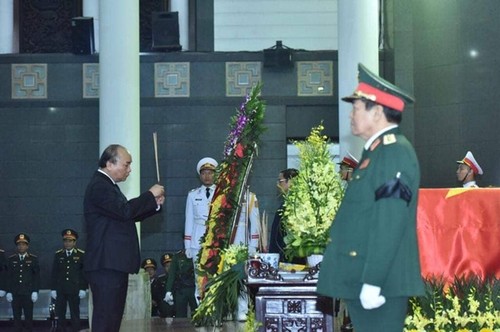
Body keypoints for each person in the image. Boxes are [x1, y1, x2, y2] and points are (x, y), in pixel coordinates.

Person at [317, 63, 424, 332]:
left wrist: (373, 281)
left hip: (380, 283)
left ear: (377, 111)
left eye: (356, 107)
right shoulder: (376, 153)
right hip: (364, 278)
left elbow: (389, 220)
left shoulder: (394, 152)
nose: (351, 114)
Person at [83, 144, 165, 332]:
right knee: (105, 320)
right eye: (126, 165)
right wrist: (150, 194)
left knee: (112, 320)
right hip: (105, 265)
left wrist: (154, 204)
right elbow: (125, 211)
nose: (129, 170)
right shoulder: (100, 186)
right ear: (110, 163)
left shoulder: (108, 186)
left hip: (112, 264)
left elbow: (126, 216)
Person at [183, 157, 218, 300]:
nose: (207, 176)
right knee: (200, 277)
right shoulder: (193, 195)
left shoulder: (222, 193)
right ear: (200, 175)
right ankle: (201, 309)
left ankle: (215, 309)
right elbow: (189, 220)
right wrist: (188, 245)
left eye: (210, 172)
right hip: (197, 241)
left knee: (216, 276)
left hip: (216, 241)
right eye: (204, 173)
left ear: (215, 174)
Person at [231, 190, 260, 321]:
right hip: (223, 241)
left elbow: (255, 221)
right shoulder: (221, 194)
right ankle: (225, 310)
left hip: (241, 240)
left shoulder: (250, 197)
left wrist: (253, 244)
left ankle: (242, 309)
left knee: (241, 276)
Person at [50, 229, 87, 332]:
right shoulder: (59, 254)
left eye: (70, 241)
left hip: (74, 289)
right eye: (65, 241)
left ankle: (76, 330)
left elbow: (83, 273)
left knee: (75, 313)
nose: (67, 243)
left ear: (75, 242)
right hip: (61, 289)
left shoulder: (81, 254)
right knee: (60, 313)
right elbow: (54, 273)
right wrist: (53, 289)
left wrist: (83, 288)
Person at [5, 233, 40, 332]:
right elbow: (9, 277)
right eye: (19, 244)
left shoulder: (33, 259)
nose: (21, 246)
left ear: (27, 246)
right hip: (15, 292)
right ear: (17, 246)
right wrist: (9, 291)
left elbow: (36, 277)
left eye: (23, 244)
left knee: (28, 316)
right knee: (16, 317)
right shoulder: (12, 259)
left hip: (28, 292)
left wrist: (35, 291)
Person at [268, 168, 299, 261]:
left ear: (290, 181)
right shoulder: (286, 202)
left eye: (280, 181)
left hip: (289, 256)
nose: (278, 184)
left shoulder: (295, 204)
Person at [164, 249, 198, 318]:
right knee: (180, 315)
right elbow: (172, 274)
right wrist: (168, 290)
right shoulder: (177, 256)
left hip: (195, 288)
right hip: (181, 289)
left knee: (197, 312)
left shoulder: (198, 252)